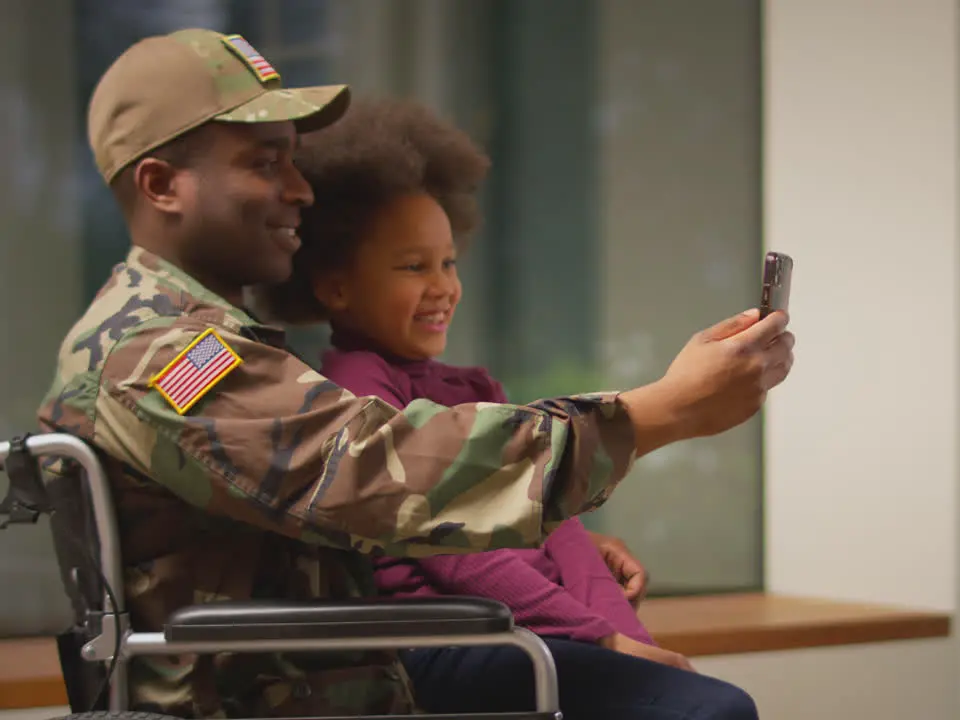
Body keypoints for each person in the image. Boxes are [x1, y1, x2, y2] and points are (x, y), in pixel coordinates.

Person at [37, 28, 793, 719]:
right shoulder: (162, 353)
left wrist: (557, 544)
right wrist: (658, 413)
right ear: (162, 185)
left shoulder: (191, 340)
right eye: (264, 163)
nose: (300, 188)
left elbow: (307, 515)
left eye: (294, 159)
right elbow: (370, 469)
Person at [256, 98, 759, 719]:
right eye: (414, 266)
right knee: (712, 711)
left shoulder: (472, 388)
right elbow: (460, 558)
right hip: (443, 642)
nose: (442, 286)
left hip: (529, 632)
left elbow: (560, 526)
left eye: (448, 262)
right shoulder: (353, 392)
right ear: (336, 286)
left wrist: (629, 640)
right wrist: (602, 640)